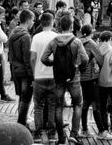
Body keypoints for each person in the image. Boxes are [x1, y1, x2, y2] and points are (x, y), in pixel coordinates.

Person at [42, 13, 88, 145]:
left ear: (59, 26)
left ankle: (61, 137)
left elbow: (43, 58)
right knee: (77, 104)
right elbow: (85, 58)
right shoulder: (76, 41)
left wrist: (53, 64)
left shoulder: (54, 41)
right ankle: (74, 134)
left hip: (59, 78)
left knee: (58, 107)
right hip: (74, 77)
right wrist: (78, 66)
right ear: (72, 26)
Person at [29, 11, 59, 142]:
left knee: (38, 106)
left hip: (39, 76)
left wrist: (34, 72)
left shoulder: (36, 37)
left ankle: (38, 132)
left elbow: (32, 58)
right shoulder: (57, 37)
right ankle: (52, 133)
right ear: (52, 22)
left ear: (41, 24)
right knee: (52, 105)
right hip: (53, 76)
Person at [7, 8, 35, 131]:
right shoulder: (26, 37)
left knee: (21, 98)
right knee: (26, 99)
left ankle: (21, 121)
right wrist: (32, 75)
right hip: (25, 72)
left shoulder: (13, 33)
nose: (33, 22)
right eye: (33, 20)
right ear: (28, 20)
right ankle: (21, 123)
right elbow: (27, 58)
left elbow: (10, 55)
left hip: (16, 70)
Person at [79, 24, 104, 138]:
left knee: (85, 102)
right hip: (91, 77)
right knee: (95, 103)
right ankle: (101, 131)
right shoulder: (91, 44)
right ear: (91, 33)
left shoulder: (77, 42)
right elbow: (100, 59)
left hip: (81, 77)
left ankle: (84, 129)